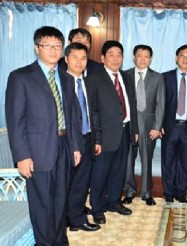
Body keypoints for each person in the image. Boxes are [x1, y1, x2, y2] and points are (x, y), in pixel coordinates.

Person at [5, 26, 82, 245]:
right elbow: (15, 121)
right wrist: (22, 156)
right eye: (47, 45)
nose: (53, 50)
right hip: (37, 152)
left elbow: (72, 115)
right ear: (36, 48)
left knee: (60, 201)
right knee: (42, 205)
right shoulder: (20, 77)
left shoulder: (66, 79)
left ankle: (59, 240)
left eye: (58, 46)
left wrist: (76, 146)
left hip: (64, 147)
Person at [88, 40, 139, 224]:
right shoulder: (94, 79)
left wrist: (134, 130)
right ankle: (98, 207)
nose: (116, 58)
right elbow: (93, 111)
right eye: (111, 54)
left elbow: (131, 105)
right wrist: (97, 139)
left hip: (125, 132)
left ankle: (114, 202)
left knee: (119, 171)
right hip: (104, 136)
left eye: (119, 55)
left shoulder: (126, 77)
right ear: (102, 58)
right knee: (100, 173)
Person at [123, 44, 165, 206]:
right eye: (139, 55)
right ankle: (129, 191)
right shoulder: (125, 75)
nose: (142, 59)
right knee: (128, 160)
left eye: (146, 56)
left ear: (150, 59)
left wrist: (157, 127)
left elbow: (161, 104)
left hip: (149, 128)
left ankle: (147, 193)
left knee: (147, 159)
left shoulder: (157, 78)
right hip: (129, 126)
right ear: (134, 57)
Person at [64, 42, 100, 232]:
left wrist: (97, 140)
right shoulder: (61, 82)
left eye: (83, 57)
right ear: (66, 59)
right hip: (67, 142)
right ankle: (64, 219)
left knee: (81, 182)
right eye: (75, 57)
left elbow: (93, 112)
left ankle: (76, 219)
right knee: (66, 183)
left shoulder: (88, 83)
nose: (79, 61)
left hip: (87, 139)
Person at [161, 45, 187, 203]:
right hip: (169, 126)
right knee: (168, 161)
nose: (185, 59)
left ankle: (181, 193)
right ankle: (168, 193)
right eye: (182, 56)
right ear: (176, 57)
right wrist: (159, 124)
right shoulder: (165, 77)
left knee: (184, 162)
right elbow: (160, 103)